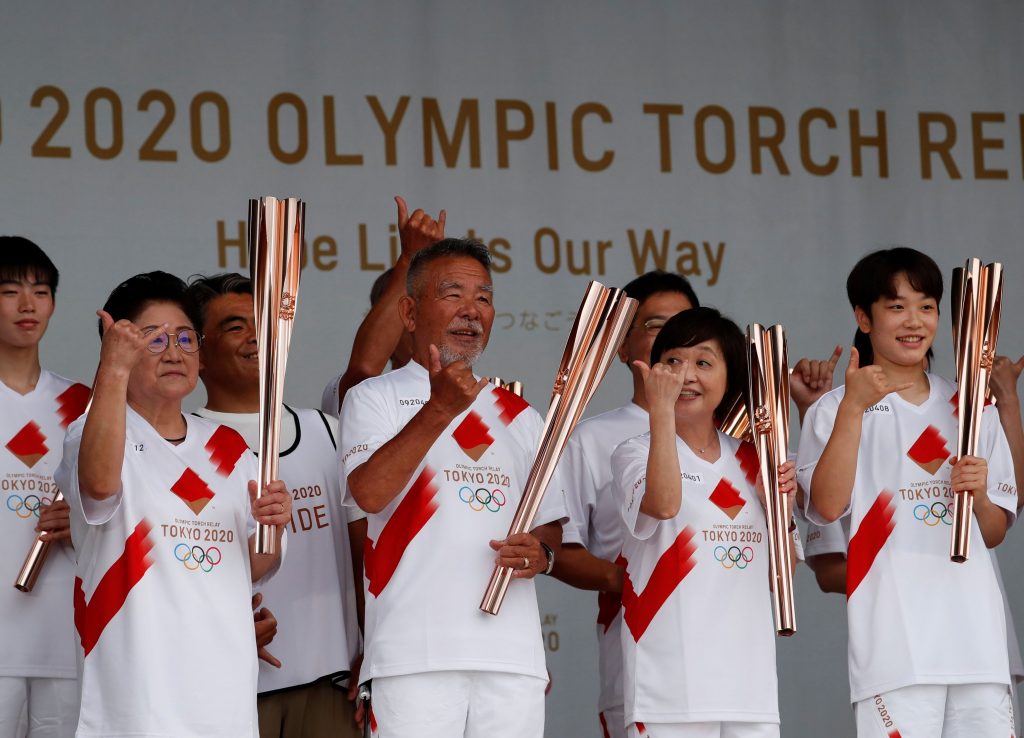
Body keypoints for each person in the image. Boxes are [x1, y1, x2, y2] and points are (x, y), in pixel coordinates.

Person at [339, 238, 566, 738]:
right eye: (453, 294)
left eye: (483, 297)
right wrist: (439, 408)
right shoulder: (374, 399)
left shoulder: (520, 416)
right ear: (410, 312)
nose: (471, 311)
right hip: (412, 656)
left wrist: (542, 553)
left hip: (511, 657)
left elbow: (549, 526)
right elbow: (369, 494)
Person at [55, 271, 292, 737]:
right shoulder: (94, 433)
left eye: (185, 338)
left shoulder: (229, 449)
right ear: (118, 347)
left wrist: (274, 525)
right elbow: (100, 489)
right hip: (134, 694)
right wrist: (113, 370)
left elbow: (253, 565)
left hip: (222, 690)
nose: (174, 351)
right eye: (154, 338)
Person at [798, 247, 1018, 737]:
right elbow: (827, 506)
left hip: (978, 648)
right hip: (896, 652)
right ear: (863, 316)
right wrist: (855, 407)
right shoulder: (833, 411)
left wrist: (980, 496)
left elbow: (996, 531)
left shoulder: (970, 406)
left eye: (926, 306)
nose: (914, 321)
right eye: (896, 307)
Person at [186, 272, 364, 737]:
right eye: (234, 326)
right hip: (233, 689)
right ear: (198, 355)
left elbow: (364, 553)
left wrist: (376, 649)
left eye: (262, 324)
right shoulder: (183, 446)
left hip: (331, 683)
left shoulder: (328, 431)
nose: (254, 338)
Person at [611, 306, 796, 738]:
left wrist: (784, 505)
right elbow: (663, 504)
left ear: (729, 377)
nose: (685, 375)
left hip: (749, 688)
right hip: (669, 687)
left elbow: (779, 573)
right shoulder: (634, 452)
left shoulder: (757, 462)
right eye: (672, 361)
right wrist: (659, 413)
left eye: (703, 363)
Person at [549, 270, 699, 738]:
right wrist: (635, 580)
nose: (674, 337)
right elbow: (564, 552)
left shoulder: (733, 442)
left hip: (727, 662)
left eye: (687, 324)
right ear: (622, 347)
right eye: (657, 326)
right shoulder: (593, 439)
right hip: (640, 657)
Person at [0, 237, 88, 738]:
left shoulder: (81, 404)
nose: (28, 304)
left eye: (41, 290)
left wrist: (81, 524)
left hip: (63, 633)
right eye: (10, 290)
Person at [321, 196, 441, 418]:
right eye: (411, 315)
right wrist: (410, 259)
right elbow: (363, 371)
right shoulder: (366, 394)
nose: (428, 324)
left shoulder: (476, 398)